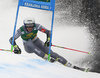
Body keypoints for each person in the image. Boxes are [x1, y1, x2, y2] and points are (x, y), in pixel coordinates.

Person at [9, 17, 88, 71]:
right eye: (28, 26)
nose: (30, 28)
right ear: (25, 25)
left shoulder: (37, 26)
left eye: (31, 26)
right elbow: (11, 39)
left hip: (36, 41)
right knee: (29, 43)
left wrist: (48, 40)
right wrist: (16, 47)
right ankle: (46, 57)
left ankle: (69, 65)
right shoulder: (21, 30)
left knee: (51, 52)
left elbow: (48, 32)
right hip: (28, 47)